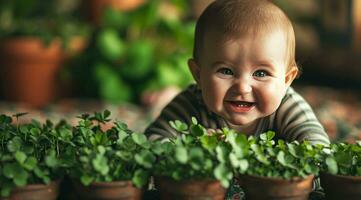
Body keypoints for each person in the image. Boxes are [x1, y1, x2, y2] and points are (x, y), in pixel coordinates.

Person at [145, 0, 330, 146]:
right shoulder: (190, 105)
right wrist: (192, 148)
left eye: (261, 73)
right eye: (226, 71)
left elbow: (317, 145)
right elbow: (152, 140)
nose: (242, 87)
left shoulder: (287, 106)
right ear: (198, 75)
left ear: (286, 80)